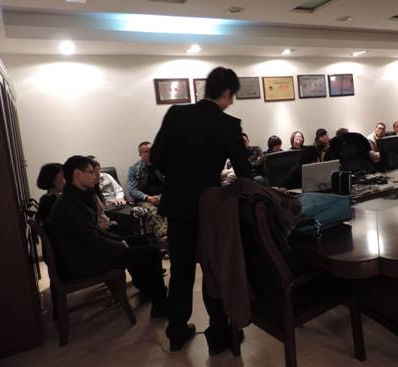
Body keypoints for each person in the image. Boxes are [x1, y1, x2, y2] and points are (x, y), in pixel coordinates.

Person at [151, 67, 253, 354]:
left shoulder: (175, 114)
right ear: (227, 93)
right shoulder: (229, 124)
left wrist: (180, 176)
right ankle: (218, 336)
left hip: (178, 205)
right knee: (213, 270)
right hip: (210, 207)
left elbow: (156, 157)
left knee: (181, 270)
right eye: (232, 96)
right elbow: (244, 172)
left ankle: (176, 333)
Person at [46, 155, 167, 317]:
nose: (95, 176)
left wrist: (120, 241)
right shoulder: (70, 203)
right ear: (78, 174)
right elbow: (93, 239)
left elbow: (94, 233)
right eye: (91, 172)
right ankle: (160, 305)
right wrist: (121, 244)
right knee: (150, 253)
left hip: (85, 251)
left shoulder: (74, 197)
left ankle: (147, 291)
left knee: (141, 240)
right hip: (82, 261)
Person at [127, 142, 167, 239]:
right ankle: (165, 239)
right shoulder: (134, 169)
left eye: (152, 150)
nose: (150, 153)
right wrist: (148, 198)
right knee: (155, 213)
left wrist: (162, 196)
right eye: (146, 151)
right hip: (145, 200)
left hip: (164, 197)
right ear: (140, 154)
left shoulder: (163, 165)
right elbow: (132, 190)